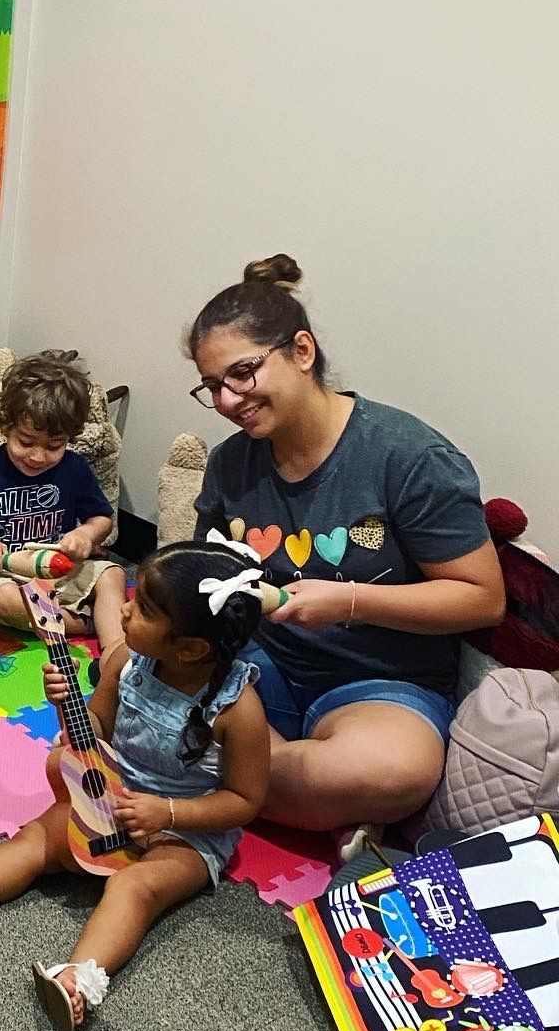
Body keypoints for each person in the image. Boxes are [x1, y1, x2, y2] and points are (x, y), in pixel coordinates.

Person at [0, 539, 270, 1031]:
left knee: (133, 887)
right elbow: (95, 730)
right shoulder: (126, 662)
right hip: (110, 799)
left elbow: (244, 800)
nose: (124, 609)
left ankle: (79, 977)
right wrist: (65, 702)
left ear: (191, 647)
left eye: (144, 609)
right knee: (36, 837)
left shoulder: (239, 710)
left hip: (185, 831)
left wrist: (168, 813)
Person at [186, 254, 505, 842]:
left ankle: (209, 778)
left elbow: (482, 599)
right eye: (211, 386)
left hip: (381, 685)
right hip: (258, 667)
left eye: (242, 373)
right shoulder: (232, 462)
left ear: (301, 352)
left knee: (393, 771)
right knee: (128, 673)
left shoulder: (408, 456)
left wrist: (350, 600)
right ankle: (279, 793)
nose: (227, 400)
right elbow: (201, 575)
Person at [0, 349, 126, 652]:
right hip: (2, 573)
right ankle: (86, 623)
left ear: (69, 437)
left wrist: (86, 534)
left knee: (113, 574)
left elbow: (101, 519)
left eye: (54, 446)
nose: (38, 457)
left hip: (60, 568)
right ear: (6, 427)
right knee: (7, 602)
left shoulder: (74, 468)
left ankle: (117, 654)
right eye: (26, 442)